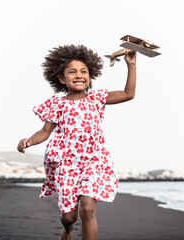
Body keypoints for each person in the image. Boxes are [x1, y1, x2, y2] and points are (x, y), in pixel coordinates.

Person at [17, 44, 136, 240]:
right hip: (66, 164)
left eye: (83, 71)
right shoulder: (57, 103)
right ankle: (68, 229)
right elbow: (45, 132)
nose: (79, 75)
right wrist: (28, 141)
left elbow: (128, 94)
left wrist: (131, 65)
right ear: (62, 78)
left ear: (90, 76)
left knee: (88, 209)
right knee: (69, 216)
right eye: (72, 72)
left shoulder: (96, 98)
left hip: (92, 161)